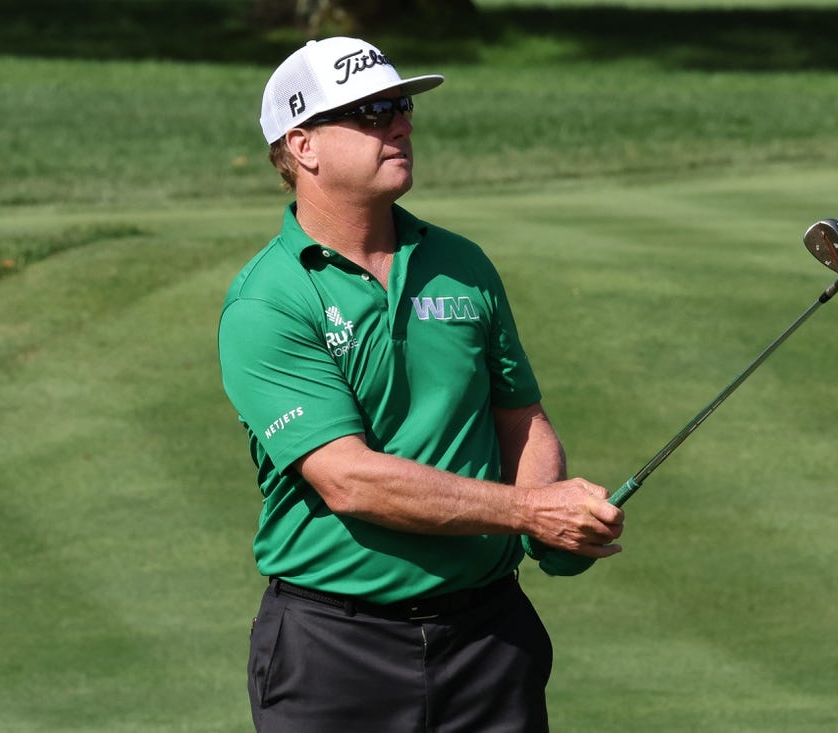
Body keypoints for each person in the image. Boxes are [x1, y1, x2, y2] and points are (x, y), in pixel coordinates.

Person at [217, 36, 625, 732]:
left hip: (489, 638)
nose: (400, 123)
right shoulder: (269, 300)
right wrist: (528, 510)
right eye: (370, 112)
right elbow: (350, 479)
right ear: (303, 144)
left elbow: (520, 417)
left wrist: (556, 522)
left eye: (400, 105)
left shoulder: (462, 264)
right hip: (335, 650)